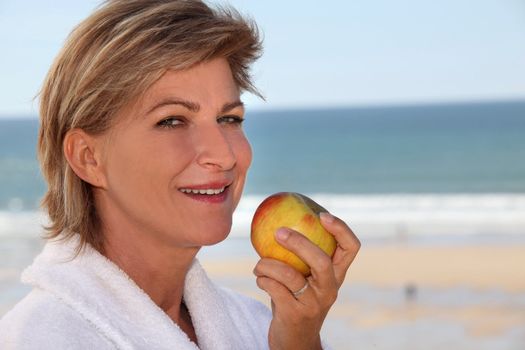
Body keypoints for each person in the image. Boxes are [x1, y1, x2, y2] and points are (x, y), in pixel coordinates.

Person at [0, 1, 360, 349]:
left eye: (229, 118)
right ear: (89, 157)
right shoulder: (38, 339)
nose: (223, 154)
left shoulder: (259, 328)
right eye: (172, 120)